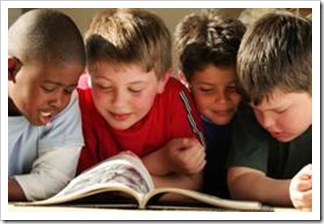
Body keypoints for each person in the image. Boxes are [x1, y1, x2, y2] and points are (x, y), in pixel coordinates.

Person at [77, 9, 206, 192]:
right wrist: (162, 161)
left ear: (162, 81)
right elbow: (82, 186)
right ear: (87, 75)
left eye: (135, 89)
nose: (119, 103)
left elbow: (193, 183)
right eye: (104, 87)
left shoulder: (175, 97)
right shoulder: (78, 101)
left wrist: (118, 183)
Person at [227, 12, 312, 211]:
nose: (266, 122)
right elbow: (240, 181)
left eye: (280, 110)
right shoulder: (251, 115)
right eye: (257, 109)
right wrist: (291, 191)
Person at [8, 9, 86, 201]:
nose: (59, 101)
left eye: (68, 90)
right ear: (10, 69)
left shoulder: (66, 106)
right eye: (49, 88)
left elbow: (55, 180)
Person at [174, 10, 246, 198]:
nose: (222, 100)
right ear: (184, 80)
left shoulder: (258, 117)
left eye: (233, 87)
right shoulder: (175, 117)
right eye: (206, 89)